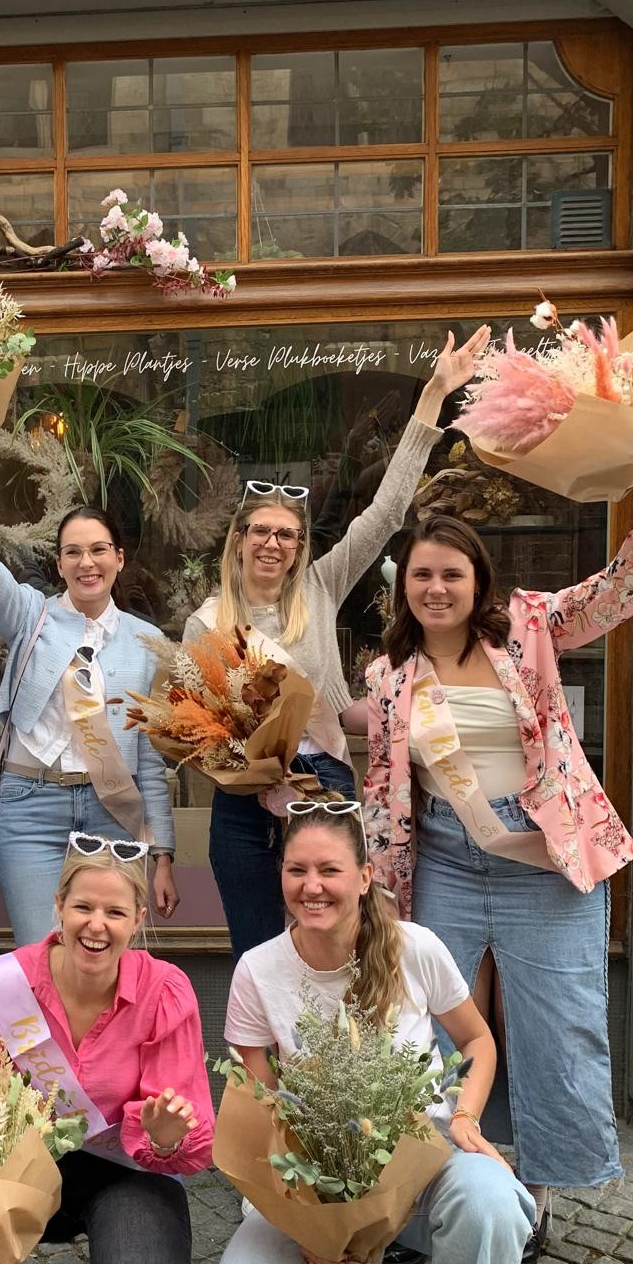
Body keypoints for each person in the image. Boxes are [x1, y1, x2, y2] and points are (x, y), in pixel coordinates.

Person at [365, 487, 633, 1264]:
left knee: (552, 1028)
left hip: (542, 859)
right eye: (421, 575)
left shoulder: (529, 625)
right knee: (415, 1033)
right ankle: (419, 1204)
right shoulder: (388, 674)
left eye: (450, 574)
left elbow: (625, 585)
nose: (435, 588)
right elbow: (381, 787)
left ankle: (533, 1204)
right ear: (403, 586)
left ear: (477, 580)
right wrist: (380, 888)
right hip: (444, 862)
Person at [184, 326, 490, 960]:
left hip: (323, 784)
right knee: (256, 955)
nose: (273, 543)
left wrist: (431, 399)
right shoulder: (205, 622)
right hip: (241, 808)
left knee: (335, 949)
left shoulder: (321, 588)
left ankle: (335, 1064)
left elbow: (384, 512)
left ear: (300, 548)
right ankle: (263, 1063)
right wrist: (245, 773)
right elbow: (198, 736)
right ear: (238, 540)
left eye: (287, 535)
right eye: (260, 531)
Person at [211, 801, 532, 1264]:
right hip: (317, 1175)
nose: (311, 887)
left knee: (494, 1200)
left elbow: (478, 1041)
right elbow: (255, 1110)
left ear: (364, 876)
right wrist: (301, 1218)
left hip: (424, 1161)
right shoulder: (258, 971)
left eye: (329, 870)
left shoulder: (416, 948)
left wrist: (464, 1119)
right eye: (296, 870)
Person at [0, 834, 214, 1264]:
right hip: (22, 1169)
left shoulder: (164, 990)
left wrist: (166, 1137)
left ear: (139, 917)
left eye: (115, 911)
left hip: (122, 1168)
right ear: (58, 907)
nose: (96, 925)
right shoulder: (3, 986)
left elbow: (187, 1141)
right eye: (83, 907)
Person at [0, 461, 178, 946]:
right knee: (40, 954)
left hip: (113, 810)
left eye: (98, 550)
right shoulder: (32, 615)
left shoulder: (148, 642)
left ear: (119, 558)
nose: (86, 563)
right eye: (72, 552)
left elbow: (151, 759)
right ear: (59, 565)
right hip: (31, 808)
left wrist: (163, 854)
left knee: (106, 956)